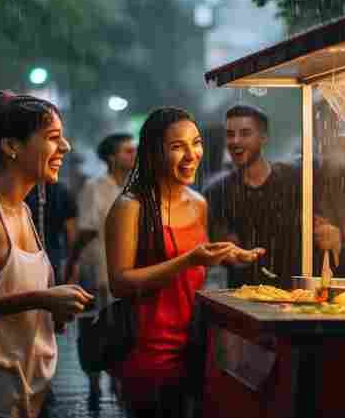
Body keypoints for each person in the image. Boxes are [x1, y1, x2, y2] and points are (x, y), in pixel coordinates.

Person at [105, 107, 264, 417]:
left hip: (196, 347)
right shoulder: (130, 207)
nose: (192, 155)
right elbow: (120, 283)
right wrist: (187, 260)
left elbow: (196, 256)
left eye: (197, 143)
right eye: (178, 146)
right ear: (153, 153)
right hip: (147, 353)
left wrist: (229, 253)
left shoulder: (199, 203)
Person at [0, 91, 93, 418]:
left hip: (31, 389)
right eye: (53, 138)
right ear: (11, 146)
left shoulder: (23, 209)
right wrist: (41, 299)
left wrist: (53, 309)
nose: (65, 147)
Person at [68, 132, 136, 409]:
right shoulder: (94, 187)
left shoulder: (136, 188)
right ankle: (94, 384)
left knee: (123, 329)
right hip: (96, 269)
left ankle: (119, 382)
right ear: (111, 157)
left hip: (127, 272)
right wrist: (72, 263)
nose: (133, 155)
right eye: (127, 151)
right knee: (93, 329)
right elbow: (84, 231)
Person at [203, 104, 301, 289]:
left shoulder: (293, 180)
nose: (235, 141)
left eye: (245, 133)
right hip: (240, 296)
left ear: (263, 138)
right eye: (230, 134)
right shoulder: (217, 191)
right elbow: (214, 245)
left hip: (293, 293)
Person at [25, 181, 78, 284]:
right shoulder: (62, 191)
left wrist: (72, 264)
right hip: (52, 256)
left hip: (37, 257)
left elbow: (71, 232)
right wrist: (72, 264)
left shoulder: (24, 190)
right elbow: (71, 233)